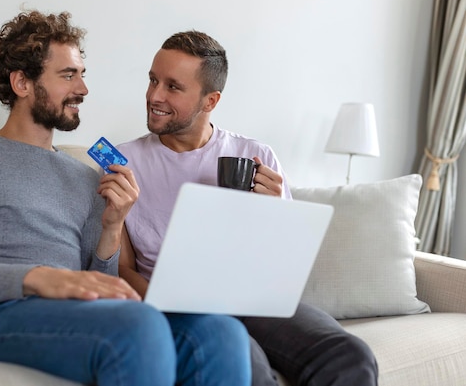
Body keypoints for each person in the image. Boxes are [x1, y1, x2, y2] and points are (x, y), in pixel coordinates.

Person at [0, 11, 252, 386]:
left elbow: (100, 285)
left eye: (82, 74)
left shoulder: (85, 174)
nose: (83, 89)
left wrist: (112, 228)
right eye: (68, 75)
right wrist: (41, 279)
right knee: (137, 326)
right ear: (22, 83)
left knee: (219, 333)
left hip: (73, 315)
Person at [117, 30, 379, 386]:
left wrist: (272, 216)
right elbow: (122, 268)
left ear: (210, 101)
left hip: (254, 301)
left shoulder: (255, 157)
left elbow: (284, 266)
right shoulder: (124, 162)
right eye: (152, 80)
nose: (154, 95)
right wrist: (165, 302)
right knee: (248, 364)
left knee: (351, 355)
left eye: (173, 87)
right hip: (179, 308)